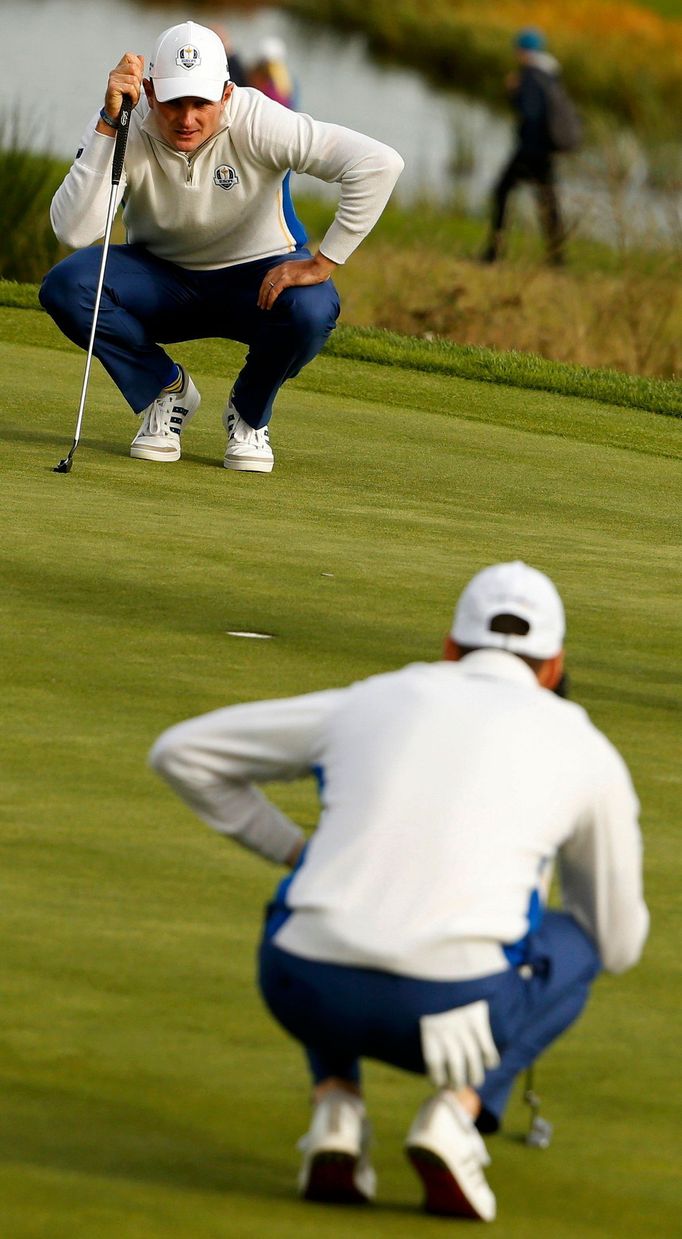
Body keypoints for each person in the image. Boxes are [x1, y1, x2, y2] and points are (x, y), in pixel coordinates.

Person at [149, 560, 648, 1221]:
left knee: (324, 884)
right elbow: (617, 941)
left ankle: (335, 1106)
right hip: (455, 1010)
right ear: (553, 666)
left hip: (301, 986)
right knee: (580, 940)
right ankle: (457, 1114)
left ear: (449, 646)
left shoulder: (373, 697)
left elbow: (181, 751)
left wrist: (296, 850)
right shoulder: (586, 747)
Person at [39, 21, 403, 472]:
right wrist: (110, 123)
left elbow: (378, 164)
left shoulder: (259, 119)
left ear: (227, 95)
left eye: (201, 103)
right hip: (160, 280)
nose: (186, 119)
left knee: (312, 307)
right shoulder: (125, 123)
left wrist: (323, 262)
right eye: (173, 102)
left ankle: (248, 414)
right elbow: (73, 231)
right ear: (150, 92)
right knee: (67, 286)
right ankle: (164, 392)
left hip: (256, 283)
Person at [482, 28, 566, 265]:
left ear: (522, 50)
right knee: (548, 202)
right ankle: (557, 257)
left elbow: (529, 112)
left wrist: (514, 92)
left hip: (531, 150)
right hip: (547, 150)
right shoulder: (551, 73)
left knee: (501, 192)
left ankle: (494, 252)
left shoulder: (530, 75)